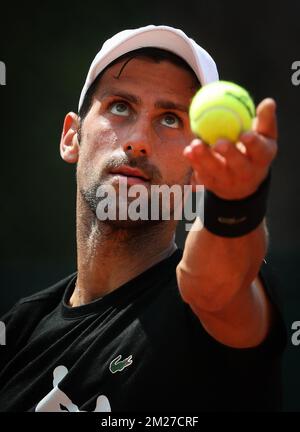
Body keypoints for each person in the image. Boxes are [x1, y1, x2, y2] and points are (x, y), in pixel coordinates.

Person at [0, 24, 286, 412]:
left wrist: (235, 202)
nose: (139, 139)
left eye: (170, 119)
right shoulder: (18, 331)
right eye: (120, 106)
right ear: (72, 136)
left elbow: (215, 290)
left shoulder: (199, 313)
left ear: (198, 169)